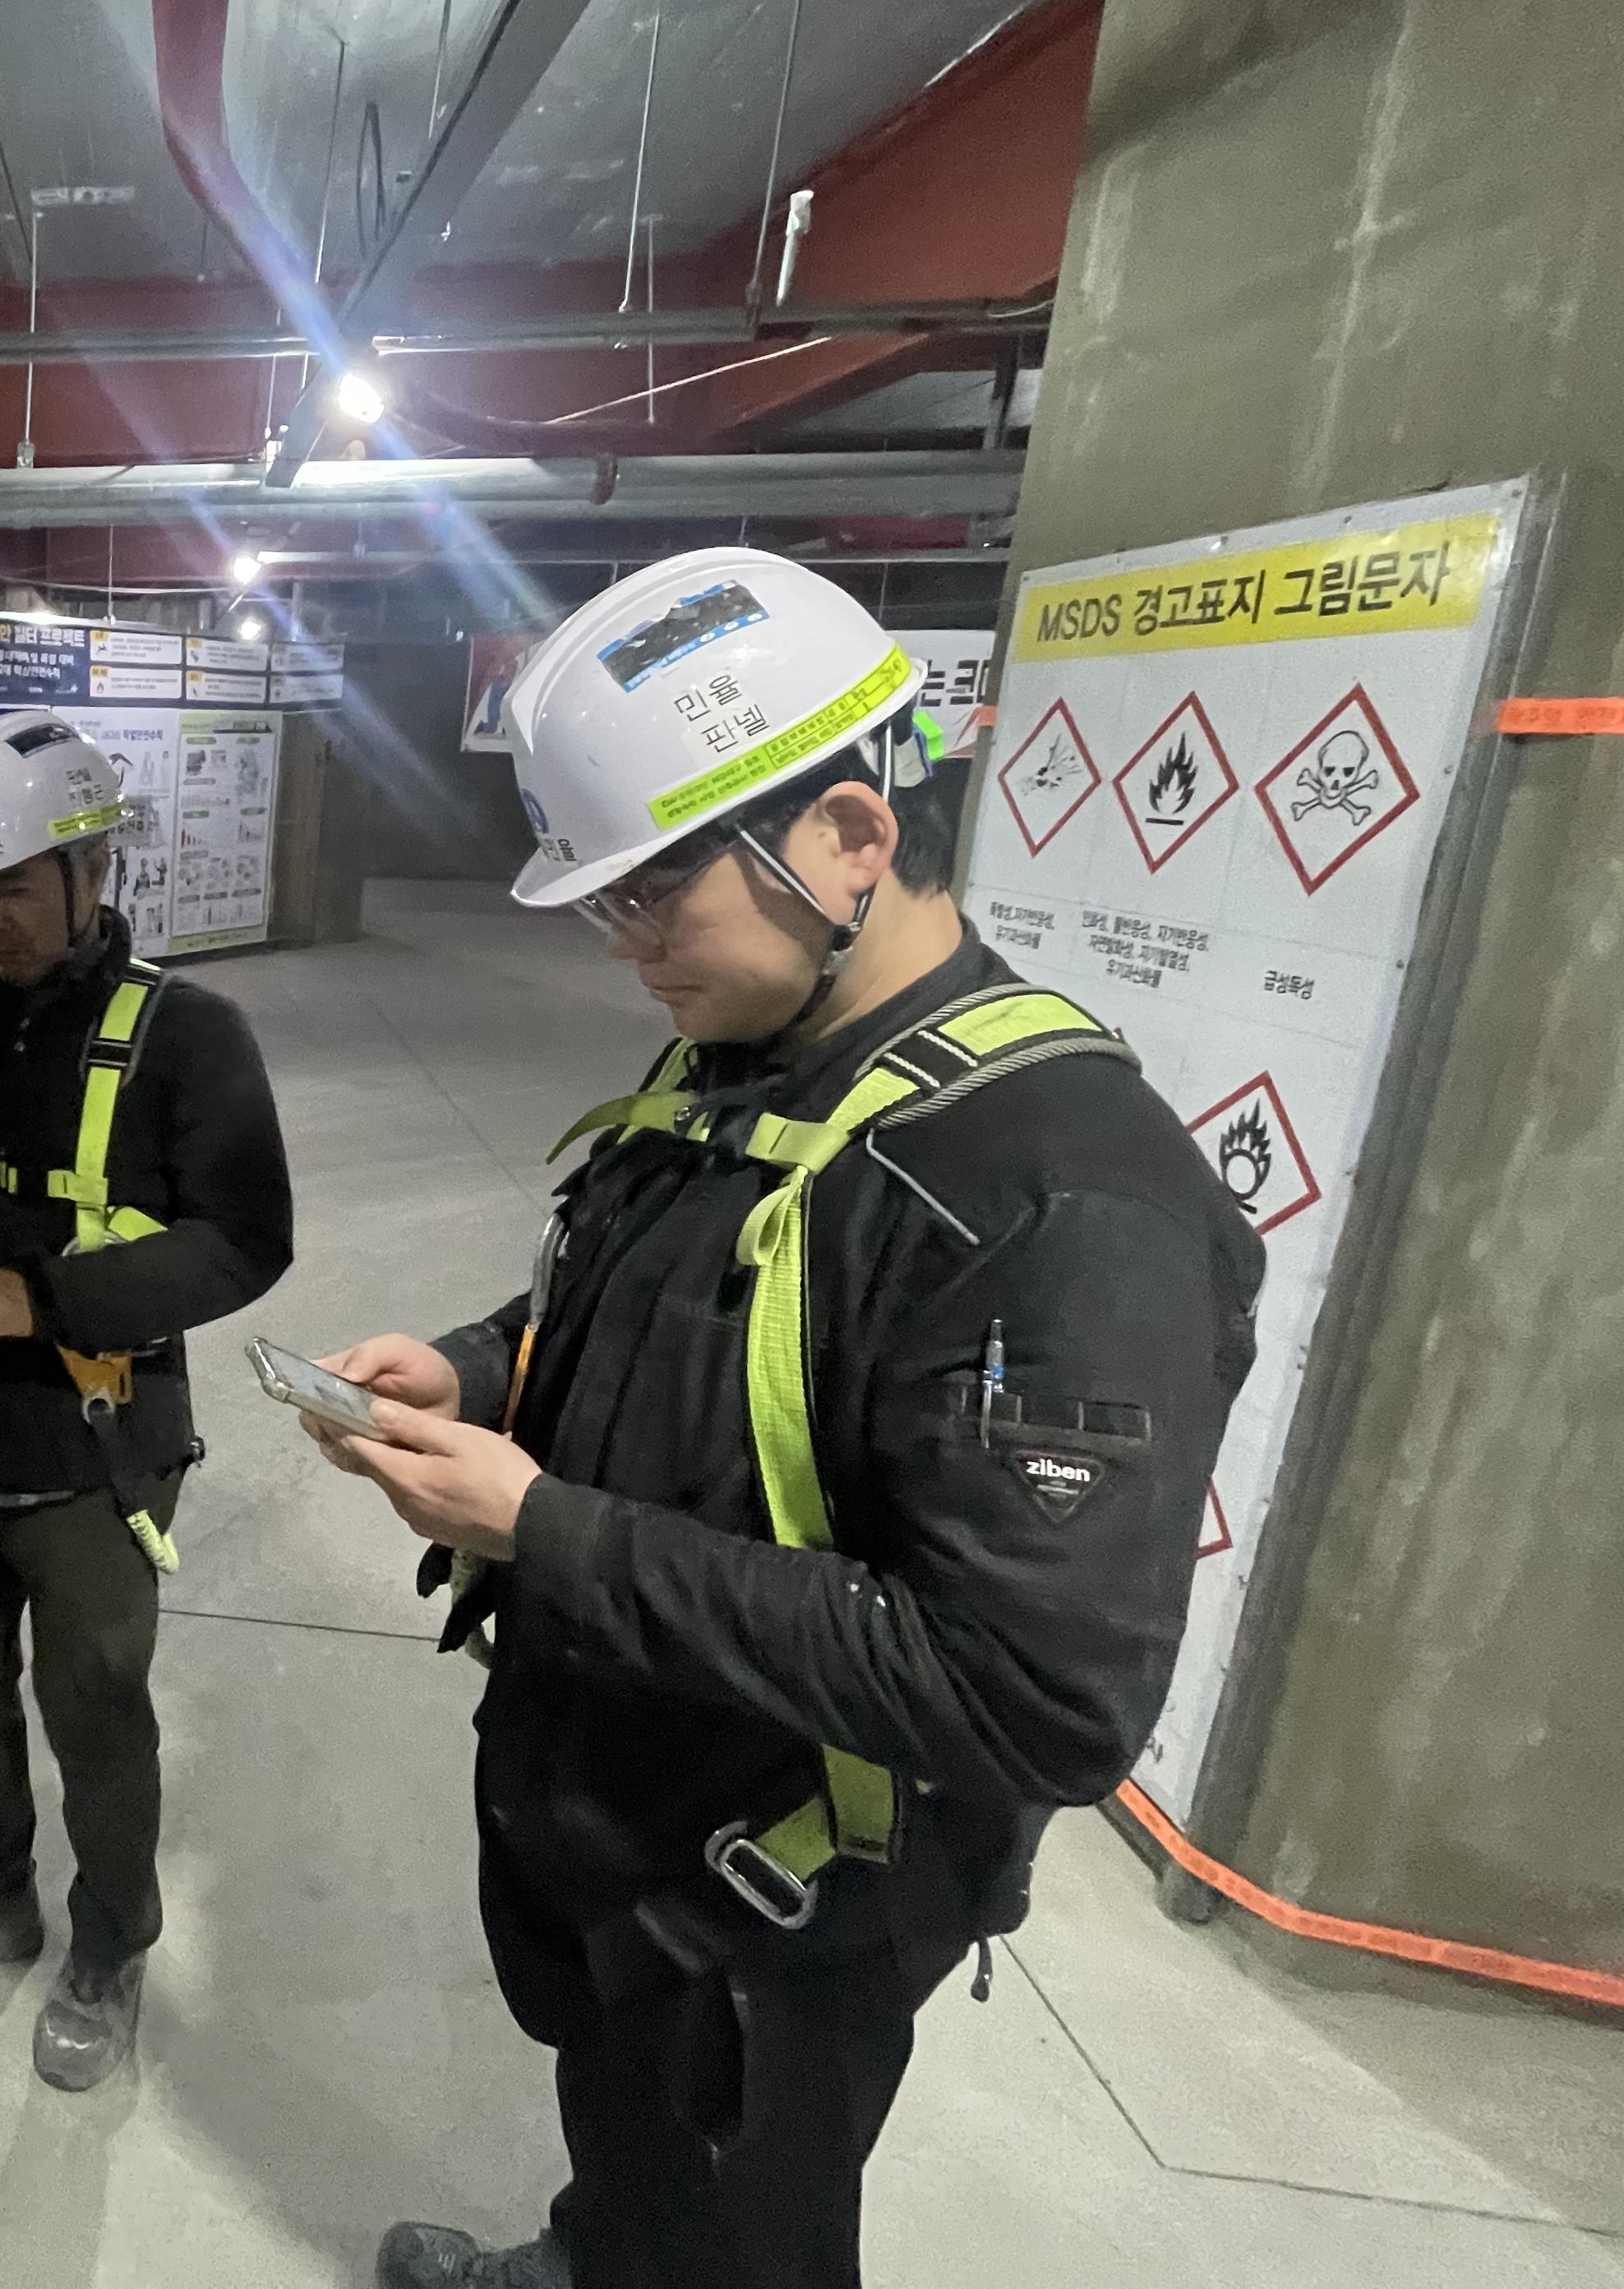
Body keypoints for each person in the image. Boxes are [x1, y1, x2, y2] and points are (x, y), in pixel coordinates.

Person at [306, 550, 1263, 2289]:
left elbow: (1034, 1694)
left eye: (656, 894)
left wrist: (543, 1528)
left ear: (849, 833)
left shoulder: (1061, 1201)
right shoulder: (754, 1054)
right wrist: (483, 1366)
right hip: (638, 1811)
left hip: (784, 1906)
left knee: (742, 2238)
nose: (628, 949)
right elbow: (681, 1313)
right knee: (639, 2163)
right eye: (606, 903)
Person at [0, 708, 293, 2090]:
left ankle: (110, 1943)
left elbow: (246, 1239)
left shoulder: (189, 1037)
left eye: (16, 886)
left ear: (94, 870)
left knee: (97, 1707)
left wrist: (45, 1296)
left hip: (100, 1449)